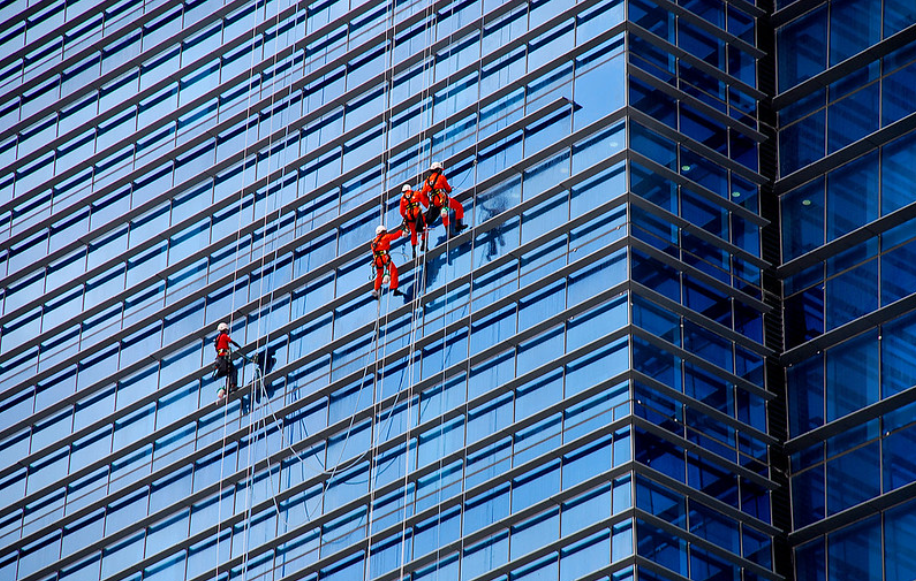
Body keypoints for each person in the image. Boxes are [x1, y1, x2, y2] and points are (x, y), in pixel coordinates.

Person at [420, 161, 466, 236]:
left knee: (444, 214)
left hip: (434, 202)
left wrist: (429, 203)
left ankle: (449, 233)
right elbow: (448, 189)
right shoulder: (441, 178)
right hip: (443, 199)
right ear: (438, 170)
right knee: (458, 207)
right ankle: (458, 225)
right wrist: (448, 190)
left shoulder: (427, 181)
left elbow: (423, 194)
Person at [370, 224, 406, 299]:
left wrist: (374, 261)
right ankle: (394, 288)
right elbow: (394, 236)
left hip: (377, 260)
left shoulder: (374, 242)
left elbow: (374, 253)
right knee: (393, 271)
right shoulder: (385, 237)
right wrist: (401, 231)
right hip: (384, 258)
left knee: (379, 274)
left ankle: (376, 290)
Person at [399, 183, 427, 257]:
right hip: (417, 213)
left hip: (409, 216)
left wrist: (405, 218)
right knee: (424, 226)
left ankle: (414, 250)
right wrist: (428, 207)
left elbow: (401, 211)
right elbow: (424, 201)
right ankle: (423, 244)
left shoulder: (402, 199)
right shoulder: (416, 193)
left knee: (413, 234)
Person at [213, 322, 241, 399]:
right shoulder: (223, 336)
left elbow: (217, 349)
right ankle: (233, 386)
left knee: (229, 372)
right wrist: (238, 346)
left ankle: (228, 388)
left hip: (220, 359)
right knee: (233, 370)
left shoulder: (218, 338)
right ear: (225, 330)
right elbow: (231, 341)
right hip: (224, 358)